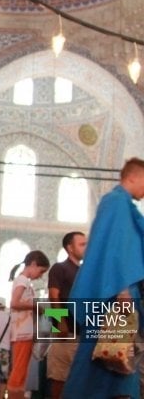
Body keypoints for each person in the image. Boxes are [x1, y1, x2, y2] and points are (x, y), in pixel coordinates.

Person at [63, 158, 144, 399]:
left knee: (117, 361)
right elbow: (115, 250)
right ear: (133, 177)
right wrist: (122, 291)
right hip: (115, 298)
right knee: (104, 360)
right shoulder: (116, 203)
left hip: (116, 297)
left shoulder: (123, 206)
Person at [46, 231, 86, 399]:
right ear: (70, 247)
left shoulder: (83, 272)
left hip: (82, 332)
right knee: (60, 378)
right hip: (65, 332)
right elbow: (53, 295)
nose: (86, 248)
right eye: (82, 244)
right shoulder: (60, 268)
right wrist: (59, 320)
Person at [7, 250, 50, 399]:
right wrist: (35, 306)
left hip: (24, 332)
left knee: (22, 371)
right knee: (18, 372)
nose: (41, 275)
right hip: (21, 333)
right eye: (41, 271)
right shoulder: (23, 280)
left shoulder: (24, 281)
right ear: (33, 264)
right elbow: (15, 302)